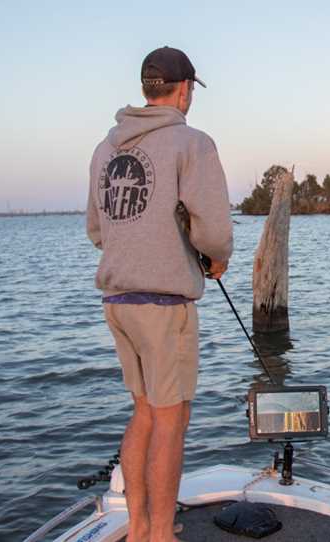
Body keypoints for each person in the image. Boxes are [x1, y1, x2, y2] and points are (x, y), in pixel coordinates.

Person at [86, 46, 233, 542]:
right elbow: (212, 229)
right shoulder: (192, 143)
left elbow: (97, 230)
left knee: (145, 411)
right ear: (184, 89)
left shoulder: (105, 149)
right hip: (163, 304)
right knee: (172, 420)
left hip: (118, 302)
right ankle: (160, 537)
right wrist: (215, 258)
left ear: (147, 88)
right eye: (191, 90)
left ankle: (140, 528)